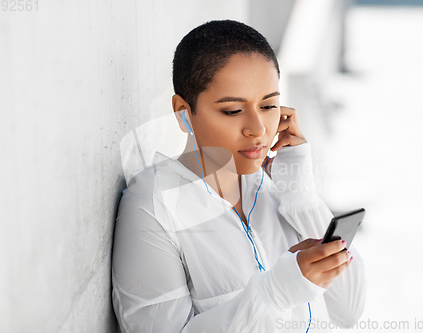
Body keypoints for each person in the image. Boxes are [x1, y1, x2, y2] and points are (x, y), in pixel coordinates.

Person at [111, 19, 366, 332]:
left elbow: (348, 311)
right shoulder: (153, 206)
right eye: (232, 111)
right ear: (183, 112)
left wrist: (301, 196)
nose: (258, 129)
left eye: (269, 105)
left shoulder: (273, 191)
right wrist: (275, 291)